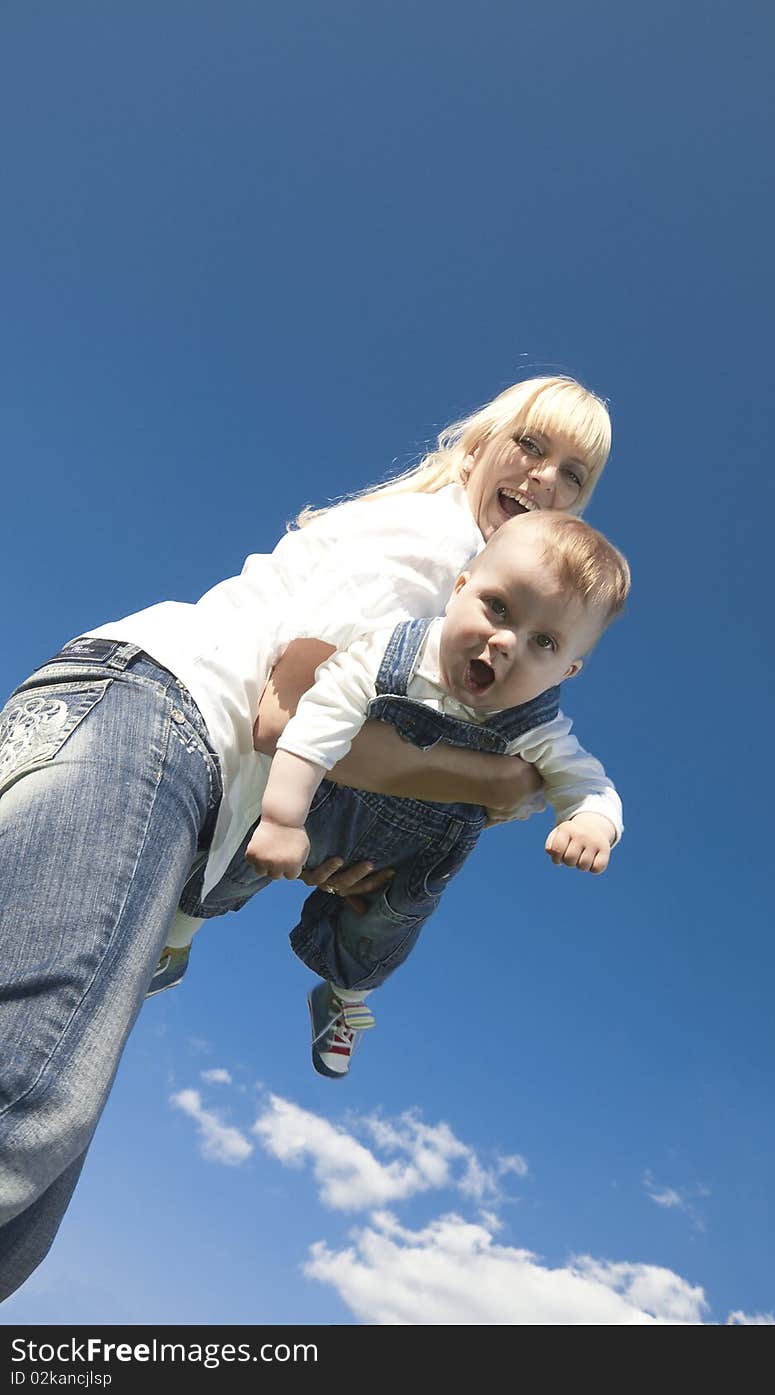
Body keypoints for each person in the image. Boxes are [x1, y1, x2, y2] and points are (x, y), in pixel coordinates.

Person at [0, 375, 615, 1298]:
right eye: (531, 444)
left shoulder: (468, 572)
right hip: (159, 721)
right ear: (477, 441)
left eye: (575, 472)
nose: (545, 479)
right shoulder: (441, 546)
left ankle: (199, 931)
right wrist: (497, 784)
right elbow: (284, 712)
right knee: (26, 1108)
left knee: (27, 1197)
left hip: (141, 747)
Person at [243, 510, 629, 1077]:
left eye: (543, 641)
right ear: (460, 587)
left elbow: (590, 783)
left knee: (377, 937)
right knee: (235, 856)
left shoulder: (538, 728)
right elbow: (319, 718)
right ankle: (181, 928)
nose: (504, 642)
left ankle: (343, 1000)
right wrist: (281, 818)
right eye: (498, 607)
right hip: (319, 806)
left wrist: (592, 823)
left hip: (405, 864)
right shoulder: (390, 655)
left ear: (566, 672)